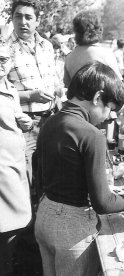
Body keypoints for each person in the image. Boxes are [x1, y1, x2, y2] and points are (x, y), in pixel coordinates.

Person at [34, 61, 124, 275]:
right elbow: (104, 204)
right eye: (110, 109)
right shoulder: (92, 134)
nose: (109, 117)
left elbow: (42, 176)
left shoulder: (49, 122)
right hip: (72, 230)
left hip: (44, 216)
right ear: (98, 97)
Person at [7, 0, 61, 204]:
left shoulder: (46, 46)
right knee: (26, 178)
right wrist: (31, 96)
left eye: (28, 17)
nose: (23, 22)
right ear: (12, 19)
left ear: (37, 21)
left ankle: (45, 223)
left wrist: (57, 92)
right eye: (18, 16)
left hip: (50, 119)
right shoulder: (5, 49)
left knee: (48, 174)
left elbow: (55, 79)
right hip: (23, 123)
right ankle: (27, 230)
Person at [0, 37, 33, 276]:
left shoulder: (10, 88)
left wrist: (27, 122)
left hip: (15, 167)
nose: (1, 64)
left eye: (4, 59)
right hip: (3, 171)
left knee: (14, 229)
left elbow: (14, 123)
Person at [63, 10, 121, 87]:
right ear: (98, 29)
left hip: (76, 98)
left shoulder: (69, 57)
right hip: (100, 98)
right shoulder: (106, 55)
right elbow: (118, 85)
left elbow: (67, 85)